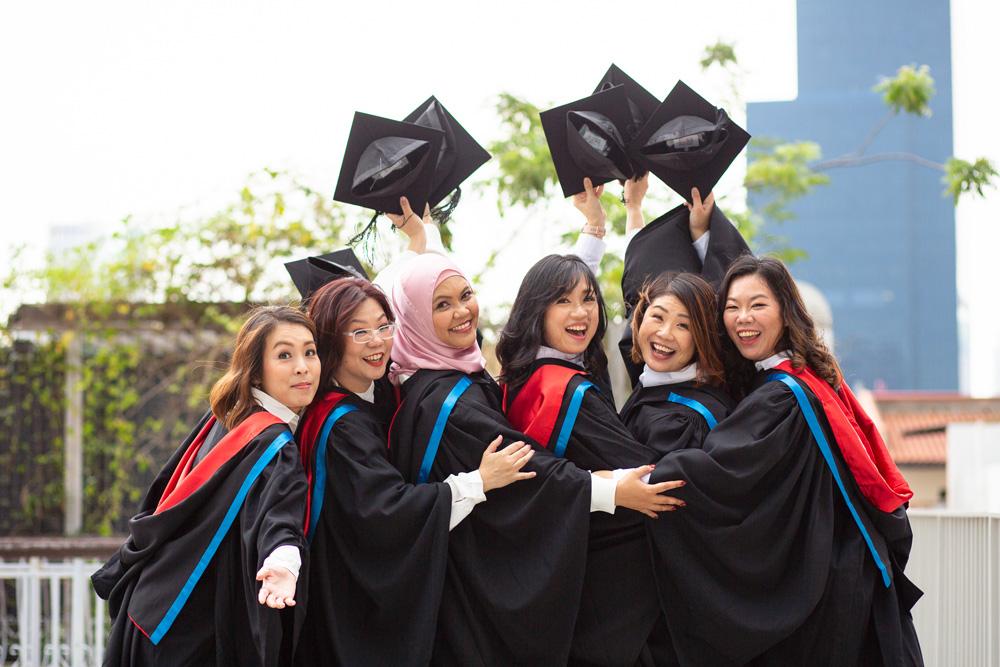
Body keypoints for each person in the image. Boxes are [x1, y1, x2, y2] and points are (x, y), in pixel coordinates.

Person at [384, 251, 681, 664]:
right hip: (495, 589)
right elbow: (529, 469)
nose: (461, 311)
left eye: (465, 295)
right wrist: (610, 490)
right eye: (441, 304)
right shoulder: (451, 402)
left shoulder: (468, 378)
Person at [648, 255, 923, 665]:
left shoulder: (781, 397)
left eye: (758, 305)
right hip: (849, 573)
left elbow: (720, 470)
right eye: (732, 307)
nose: (743, 317)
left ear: (785, 310)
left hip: (833, 587)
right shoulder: (801, 377)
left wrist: (631, 481)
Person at [293, 276, 536, 666]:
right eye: (359, 332)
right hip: (351, 607)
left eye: (384, 327)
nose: (377, 342)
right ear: (330, 340)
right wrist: (479, 481)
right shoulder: (341, 425)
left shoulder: (374, 393)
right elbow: (388, 511)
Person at [92, 306, 317, 666]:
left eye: (310, 351)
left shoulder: (228, 418)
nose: (303, 366)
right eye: (284, 355)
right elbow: (278, 511)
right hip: (183, 632)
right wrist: (284, 560)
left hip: (150, 610)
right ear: (256, 371)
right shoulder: (274, 443)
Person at [497, 250, 688, 666]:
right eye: (563, 300)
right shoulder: (565, 392)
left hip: (561, 567)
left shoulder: (522, 379)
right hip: (612, 586)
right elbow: (643, 473)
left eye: (587, 298)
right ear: (537, 309)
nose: (580, 312)